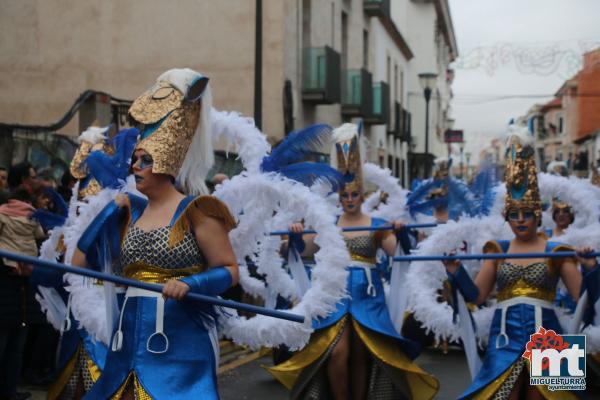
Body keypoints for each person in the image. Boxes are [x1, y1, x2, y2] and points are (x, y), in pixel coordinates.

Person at [72, 68, 238, 399]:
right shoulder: (128, 212)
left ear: (166, 163)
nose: (135, 166)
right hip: (127, 337)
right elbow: (79, 264)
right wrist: (106, 214)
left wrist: (191, 284)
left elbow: (230, 270)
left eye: (145, 160)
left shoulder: (198, 211)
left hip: (179, 341)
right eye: (135, 158)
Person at [268, 123, 439, 400]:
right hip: (335, 297)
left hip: (367, 298)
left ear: (363, 194)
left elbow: (401, 254)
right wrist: (296, 237)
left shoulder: (378, 225)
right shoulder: (328, 223)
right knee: (337, 354)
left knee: (362, 356)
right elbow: (301, 249)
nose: (349, 199)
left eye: (354, 194)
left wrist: (402, 234)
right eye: (345, 195)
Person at [444, 128, 598, 399]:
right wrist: (455, 271)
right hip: (504, 333)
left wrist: (590, 268)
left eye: (527, 213)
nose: (521, 220)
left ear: (538, 215)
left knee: (546, 396)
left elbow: (582, 298)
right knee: (506, 393)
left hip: (548, 332)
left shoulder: (556, 251)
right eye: (514, 214)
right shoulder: (497, 251)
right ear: (507, 217)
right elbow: (478, 296)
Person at [0, 187, 46, 400]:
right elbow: (41, 236)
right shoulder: (32, 216)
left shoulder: (2, 213)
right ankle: (9, 390)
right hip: (26, 280)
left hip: (6, 272)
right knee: (15, 347)